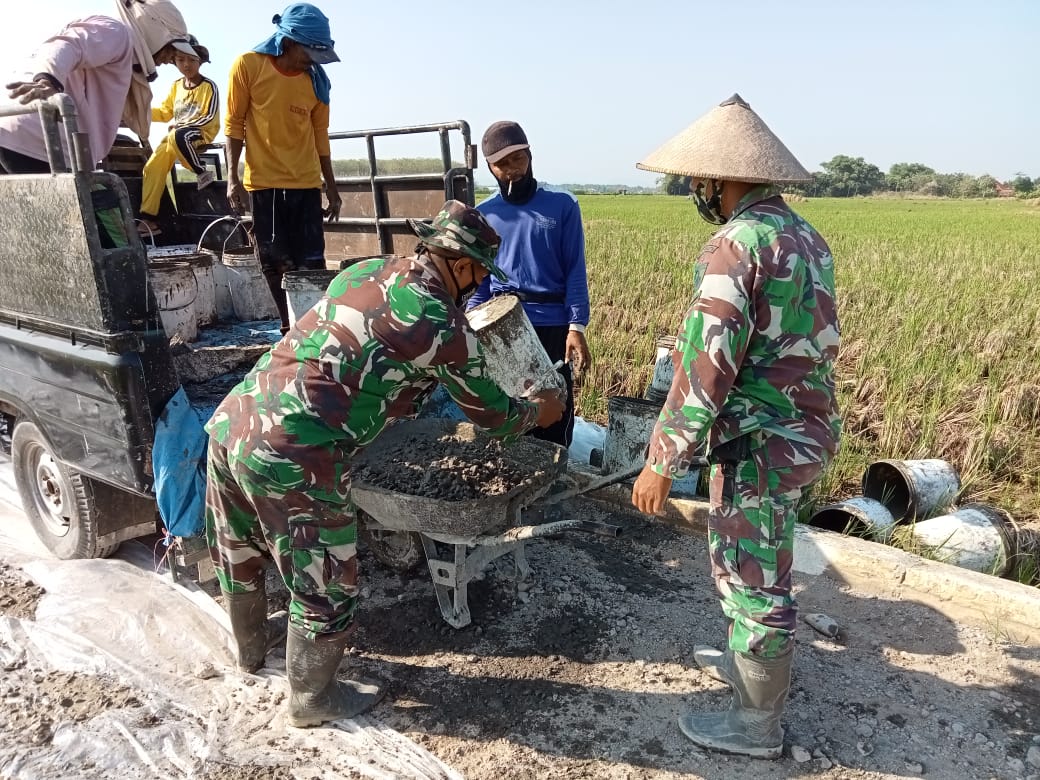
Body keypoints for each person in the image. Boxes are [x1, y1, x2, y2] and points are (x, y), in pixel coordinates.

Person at [204, 200, 565, 728]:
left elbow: (348, 356)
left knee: (238, 549)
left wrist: (394, 397)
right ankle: (311, 700)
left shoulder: (367, 270)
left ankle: (250, 653)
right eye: (480, 272)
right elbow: (495, 419)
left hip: (235, 419)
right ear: (461, 265)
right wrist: (541, 409)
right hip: (294, 452)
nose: (479, 284)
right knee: (326, 584)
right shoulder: (441, 324)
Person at [631, 94, 841, 759]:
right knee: (745, 558)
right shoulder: (808, 237)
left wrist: (661, 459)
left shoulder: (735, 244)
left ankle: (756, 726)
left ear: (723, 181)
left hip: (758, 443)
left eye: (701, 182)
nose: (699, 192)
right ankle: (743, 666)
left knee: (755, 578)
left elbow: (705, 370)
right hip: (799, 430)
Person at [468, 120, 591, 447]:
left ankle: (555, 478)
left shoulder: (562, 204)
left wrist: (576, 326)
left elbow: (574, 268)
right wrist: (470, 326)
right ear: (491, 169)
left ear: (530, 155)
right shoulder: (484, 214)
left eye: (518, 159)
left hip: (550, 324)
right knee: (510, 410)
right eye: (502, 164)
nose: (512, 170)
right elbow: (479, 280)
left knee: (555, 408)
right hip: (500, 327)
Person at [224, 2, 343, 335]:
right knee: (275, 261)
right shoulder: (248, 66)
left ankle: (317, 330)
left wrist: (330, 187)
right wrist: (232, 178)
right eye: (309, 52)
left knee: (312, 263)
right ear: (289, 41)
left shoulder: (318, 83)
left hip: (306, 184)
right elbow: (233, 125)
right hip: (265, 185)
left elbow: (321, 136)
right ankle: (290, 327)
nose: (312, 61)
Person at [0, 0, 193, 173]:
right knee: (87, 211)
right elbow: (66, 45)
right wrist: (47, 80)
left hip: (18, 136)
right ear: (155, 29)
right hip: (43, 143)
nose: (171, 59)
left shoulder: (123, 59)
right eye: (171, 49)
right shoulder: (117, 32)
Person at [138, 36, 219, 237]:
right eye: (181, 60)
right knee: (152, 167)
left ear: (199, 61)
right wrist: (140, 111)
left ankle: (201, 172)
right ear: (174, 61)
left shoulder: (209, 86)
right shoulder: (176, 86)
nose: (186, 64)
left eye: (191, 60)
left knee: (177, 135)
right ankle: (149, 220)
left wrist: (183, 125)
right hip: (177, 136)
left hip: (199, 133)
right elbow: (165, 113)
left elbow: (209, 116)